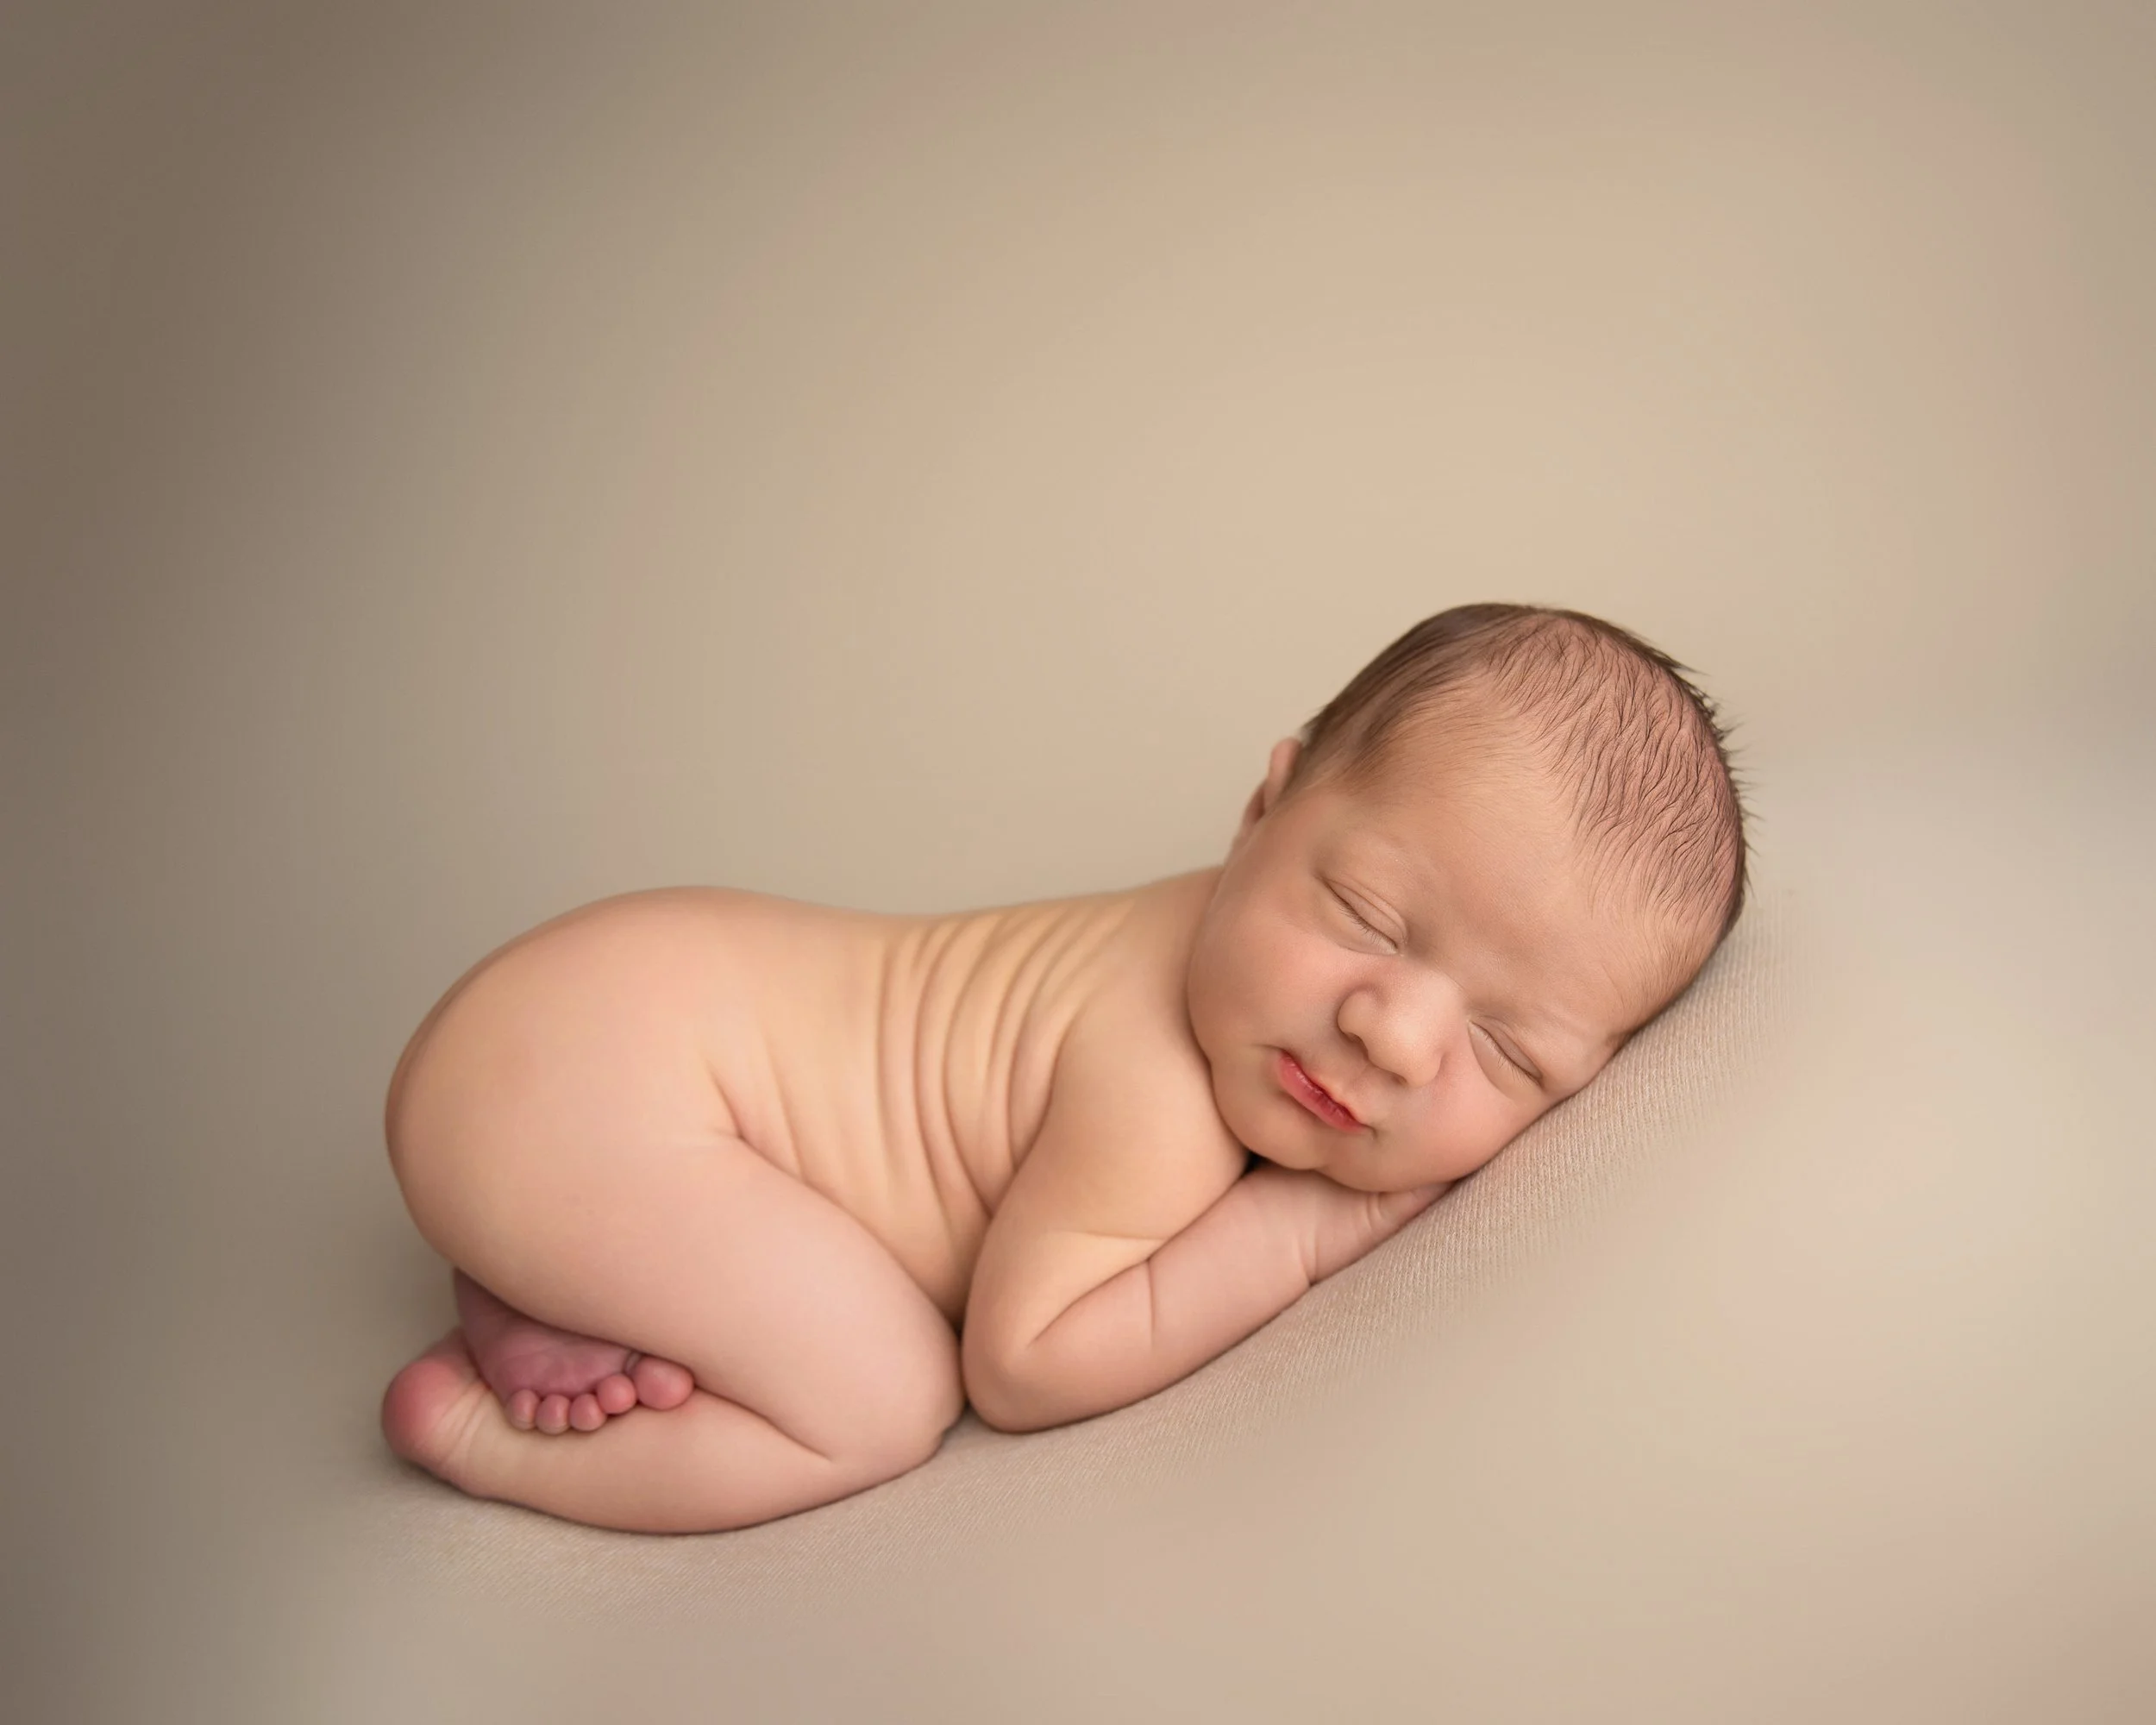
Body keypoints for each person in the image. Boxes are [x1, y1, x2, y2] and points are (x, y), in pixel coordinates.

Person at [379, 602, 1748, 1533]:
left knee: (800, 1303)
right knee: (883, 1400)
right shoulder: (1152, 1079)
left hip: (590, 1023)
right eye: (1369, 921)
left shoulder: (1223, 947)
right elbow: (1024, 1366)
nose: (1393, 1036)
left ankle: (557, 1268)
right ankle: (469, 1432)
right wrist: (1304, 1230)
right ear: (1264, 810)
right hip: (600, 1081)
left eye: (1505, 1051)